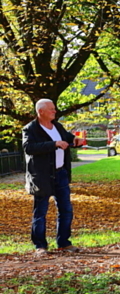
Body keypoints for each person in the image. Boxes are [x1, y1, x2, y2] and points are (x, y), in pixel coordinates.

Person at [22, 99, 88, 255]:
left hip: (60, 173)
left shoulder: (57, 126)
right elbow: (28, 148)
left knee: (66, 210)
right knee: (40, 212)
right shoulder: (30, 129)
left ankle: (64, 243)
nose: (55, 111)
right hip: (42, 176)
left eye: (54, 108)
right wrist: (54, 144)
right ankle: (40, 246)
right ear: (41, 111)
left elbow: (68, 137)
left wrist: (75, 140)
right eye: (51, 109)